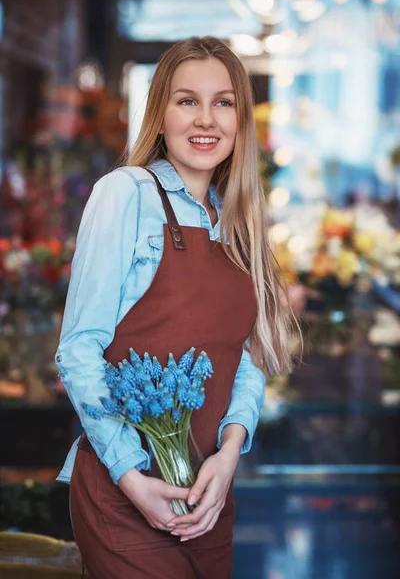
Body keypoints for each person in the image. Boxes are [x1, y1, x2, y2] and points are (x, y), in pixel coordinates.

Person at [55, 36, 295, 579]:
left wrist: (230, 452)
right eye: (187, 100)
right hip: (126, 493)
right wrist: (132, 476)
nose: (205, 118)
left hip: (209, 499)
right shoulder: (126, 194)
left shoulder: (238, 223)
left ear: (240, 121)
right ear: (159, 113)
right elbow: (78, 350)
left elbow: (248, 357)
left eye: (224, 102)